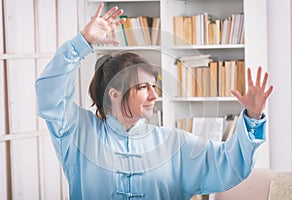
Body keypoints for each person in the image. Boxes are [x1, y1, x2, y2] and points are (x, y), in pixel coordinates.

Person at [35, 3, 274, 200]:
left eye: (154, 86)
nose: (154, 95)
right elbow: (50, 94)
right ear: (114, 93)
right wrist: (83, 42)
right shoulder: (79, 134)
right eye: (142, 87)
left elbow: (229, 165)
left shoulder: (174, 144)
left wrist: (253, 117)